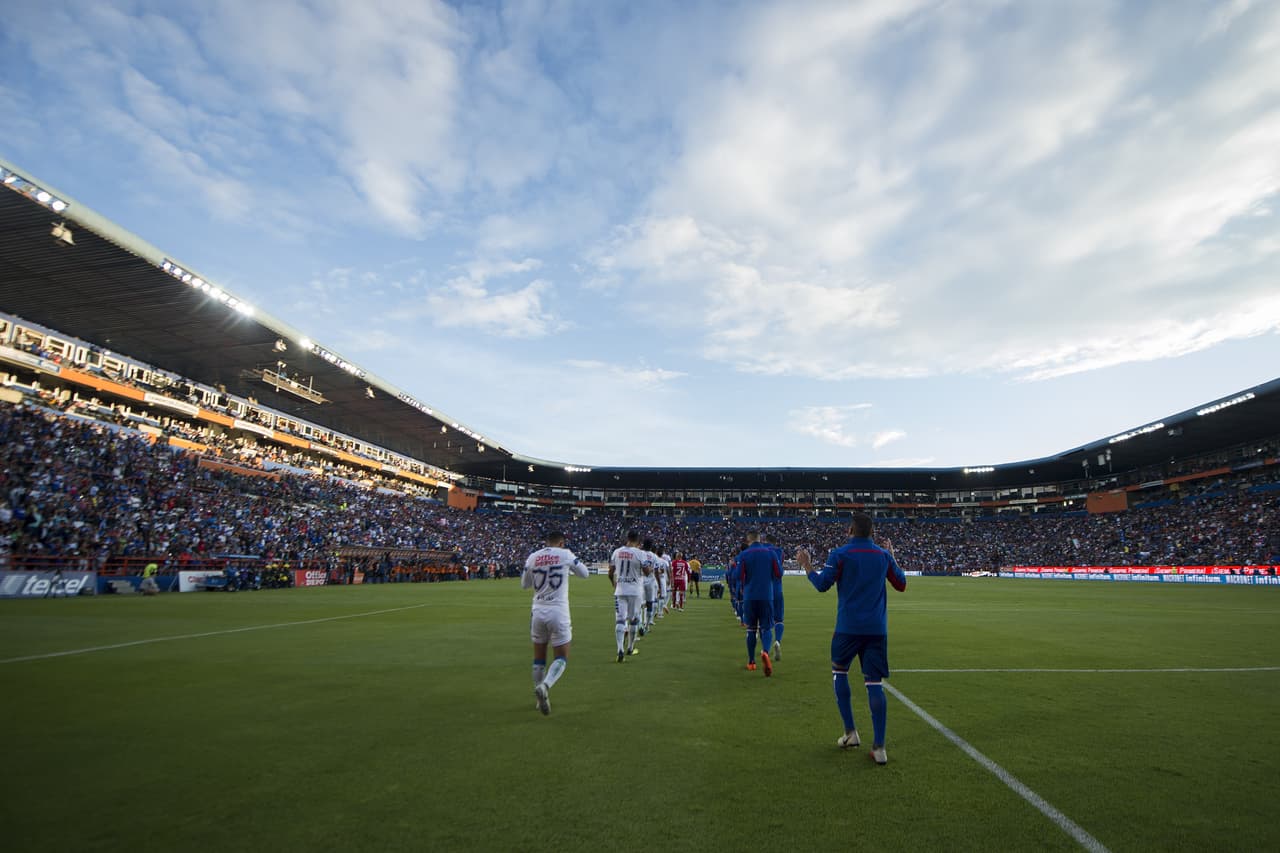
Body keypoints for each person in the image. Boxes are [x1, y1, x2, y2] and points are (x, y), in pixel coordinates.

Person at [797, 512, 907, 765]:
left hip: (847, 628)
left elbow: (822, 585)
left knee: (840, 672)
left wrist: (807, 565)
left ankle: (851, 733)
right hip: (876, 630)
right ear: (872, 532)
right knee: (874, 683)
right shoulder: (882, 556)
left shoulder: (840, 554)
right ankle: (879, 747)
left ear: (850, 530)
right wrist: (892, 555)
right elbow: (901, 584)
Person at [521, 530, 591, 716]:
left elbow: (524, 584)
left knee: (539, 658)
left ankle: (539, 700)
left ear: (547, 542)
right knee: (561, 657)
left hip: (537, 611)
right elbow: (585, 573)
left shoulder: (533, 557)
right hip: (558, 611)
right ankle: (545, 685)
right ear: (561, 543)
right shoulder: (565, 554)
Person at [737, 532, 780, 676]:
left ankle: (751, 662)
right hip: (766, 595)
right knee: (766, 628)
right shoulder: (770, 553)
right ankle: (765, 652)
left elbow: (738, 575)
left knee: (751, 629)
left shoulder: (744, 554)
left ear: (748, 540)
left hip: (750, 596)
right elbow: (779, 573)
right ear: (760, 539)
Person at [610, 531, 650, 662]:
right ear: (638, 541)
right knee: (634, 619)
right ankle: (630, 648)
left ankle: (619, 650)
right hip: (635, 591)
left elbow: (610, 572)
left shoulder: (617, 552)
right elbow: (647, 572)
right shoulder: (640, 553)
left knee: (620, 620)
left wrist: (613, 583)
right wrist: (648, 568)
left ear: (627, 538)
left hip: (620, 590)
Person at [764, 534, 785, 660]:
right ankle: (777, 641)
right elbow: (779, 570)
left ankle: (765, 650)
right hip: (777, 589)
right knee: (779, 619)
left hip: (764, 589)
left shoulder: (760, 551)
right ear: (775, 542)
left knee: (765, 623)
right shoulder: (779, 551)